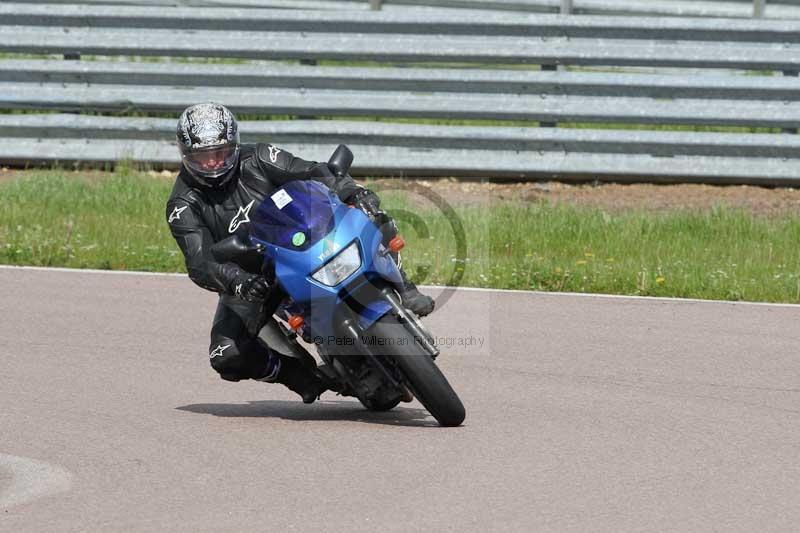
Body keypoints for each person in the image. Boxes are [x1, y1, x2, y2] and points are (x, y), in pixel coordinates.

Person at [165, 102, 434, 403]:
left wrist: (353, 192)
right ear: (185, 154)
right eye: (203, 157)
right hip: (254, 276)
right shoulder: (182, 204)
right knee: (225, 354)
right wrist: (238, 281)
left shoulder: (260, 157)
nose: (213, 163)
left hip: (306, 239)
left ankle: (405, 287)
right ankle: (301, 375)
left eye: (221, 153)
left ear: (235, 144)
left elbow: (312, 172)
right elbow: (200, 261)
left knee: (368, 213)